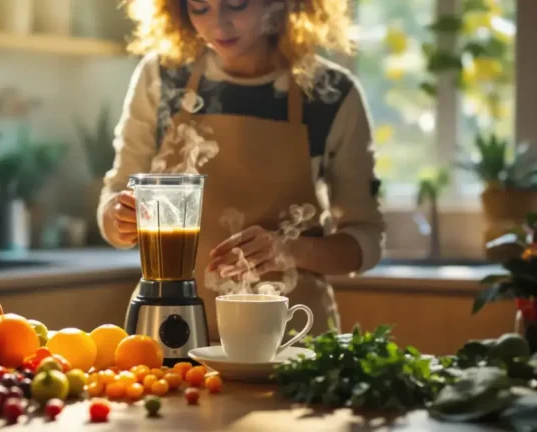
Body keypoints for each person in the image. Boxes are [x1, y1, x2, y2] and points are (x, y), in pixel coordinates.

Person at [97, 0, 385, 339]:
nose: (219, 27)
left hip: (291, 339)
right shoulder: (160, 76)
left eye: (236, 5)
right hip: (174, 335)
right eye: (200, 8)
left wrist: (288, 250)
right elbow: (112, 201)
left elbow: (365, 244)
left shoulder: (332, 94)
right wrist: (119, 218)